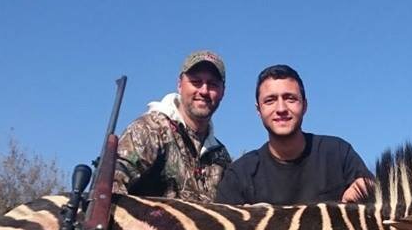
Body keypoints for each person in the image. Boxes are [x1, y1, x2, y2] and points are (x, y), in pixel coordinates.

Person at [214, 64, 374, 205]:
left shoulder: (337, 152)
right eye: (270, 100)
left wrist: (364, 188)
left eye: (290, 98)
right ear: (259, 110)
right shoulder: (240, 174)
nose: (281, 108)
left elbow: (370, 184)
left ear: (305, 105)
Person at [113, 50, 232, 201]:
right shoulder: (149, 130)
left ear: (223, 92)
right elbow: (111, 190)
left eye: (212, 84)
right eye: (196, 82)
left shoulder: (221, 157)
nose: (204, 91)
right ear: (179, 85)